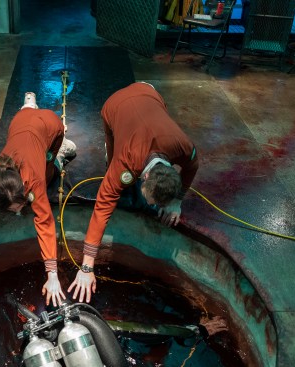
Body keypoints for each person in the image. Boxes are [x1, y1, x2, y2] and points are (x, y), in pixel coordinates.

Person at [69, 82, 199, 303]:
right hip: (115, 104)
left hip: (151, 94)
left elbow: (193, 166)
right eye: (152, 200)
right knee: (111, 162)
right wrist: (86, 266)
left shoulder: (183, 147)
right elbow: (102, 209)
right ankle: (110, 152)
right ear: (144, 177)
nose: (153, 206)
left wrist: (177, 201)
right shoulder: (126, 164)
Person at [0, 92, 76, 307]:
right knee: (26, 118)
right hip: (20, 122)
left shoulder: (34, 181)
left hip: (51, 124)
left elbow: (46, 224)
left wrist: (52, 275)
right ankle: (28, 104)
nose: (21, 212)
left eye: (21, 206)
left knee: (49, 166)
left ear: (25, 190)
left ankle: (59, 153)